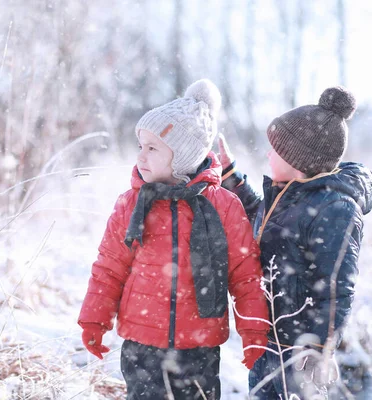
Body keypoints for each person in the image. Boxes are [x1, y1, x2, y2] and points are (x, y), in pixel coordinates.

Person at [78, 79, 270, 400]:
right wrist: (94, 320)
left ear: (183, 156)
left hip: (200, 344)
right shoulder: (132, 203)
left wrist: (253, 332)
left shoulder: (223, 205)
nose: (141, 156)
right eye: (141, 146)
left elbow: (245, 275)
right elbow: (109, 267)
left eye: (153, 148)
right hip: (141, 343)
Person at [217, 86, 372, 399]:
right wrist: (230, 174)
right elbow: (263, 220)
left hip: (298, 355)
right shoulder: (289, 193)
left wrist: (317, 347)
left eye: (274, 149)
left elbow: (336, 289)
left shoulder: (334, 209)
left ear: (298, 160)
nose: (267, 154)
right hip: (268, 341)